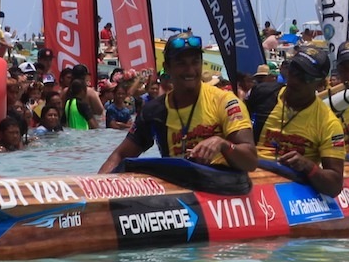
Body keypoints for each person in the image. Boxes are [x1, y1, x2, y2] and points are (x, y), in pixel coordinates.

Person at [98, 34, 258, 173]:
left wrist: (223, 145)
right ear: (167, 68)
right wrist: (92, 189)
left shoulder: (226, 102)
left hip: (222, 187)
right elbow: (121, 155)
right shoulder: (154, 111)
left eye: (195, 62)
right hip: (179, 187)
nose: (190, 70)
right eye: (181, 63)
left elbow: (250, 161)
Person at [247, 44, 345, 196]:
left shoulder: (329, 123)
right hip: (251, 183)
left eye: (305, 77)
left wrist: (308, 166)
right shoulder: (263, 94)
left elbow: (335, 186)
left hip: (290, 193)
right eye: (293, 71)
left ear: (320, 84)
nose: (295, 80)